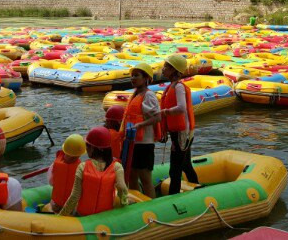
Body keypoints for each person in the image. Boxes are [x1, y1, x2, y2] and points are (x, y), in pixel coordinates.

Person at [58, 127, 129, 217]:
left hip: (83, 215)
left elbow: (75, 196)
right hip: (105, 214)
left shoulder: (82, 167)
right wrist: (124, 204)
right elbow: (122, 188)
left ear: (94, 148)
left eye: (87, 145)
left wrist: (61, 216)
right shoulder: (117, 167)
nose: (86, 148)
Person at [159, 54, 199, 195]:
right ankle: (197, 187)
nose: (163, 69)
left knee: (175, 168)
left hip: (182, 133)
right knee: (186, 165)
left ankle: (173, 196)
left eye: (166, 67)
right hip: (180, 132)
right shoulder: (172, 86)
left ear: (174, 70)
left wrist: (164, 112)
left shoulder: (179, 87)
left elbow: (181, 107)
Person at [120, 62, 161, 198]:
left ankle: (150, 204)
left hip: (144, 143)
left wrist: (140, 125)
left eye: (136, 76)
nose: (133, 78)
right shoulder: (136, 94)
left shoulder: (148, 95)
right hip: (133, 142)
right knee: (131, 176)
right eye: (132, 76)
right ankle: (137, 201)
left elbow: (157, 117)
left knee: (145, 177)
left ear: (146, 78)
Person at [47, 134, 85, 213]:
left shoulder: (54, 165)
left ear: (64, 150)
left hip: (55, 205)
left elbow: (51, 182)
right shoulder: (82, 168)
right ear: (80, 154)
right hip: (72, 207)